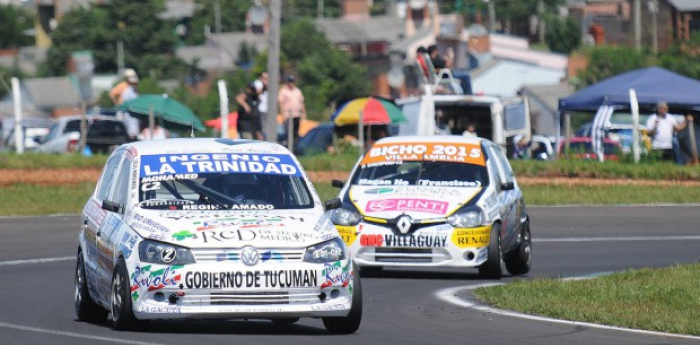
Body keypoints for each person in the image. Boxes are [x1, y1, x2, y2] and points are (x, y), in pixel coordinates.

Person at [111, 70, 141, 141]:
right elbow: (112, 93)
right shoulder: (124, 86)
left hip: (130, 112)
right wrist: (117, 104)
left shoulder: (134, 90)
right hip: (124, 111)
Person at [278, 75, 306, 143]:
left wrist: (304, 113)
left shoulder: (297, 90)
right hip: (288, 116)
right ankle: (289, 146)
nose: (291, 83)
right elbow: (281, 104)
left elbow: (301, 102)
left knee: (296, 132)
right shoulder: (283, 91)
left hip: (297, 115)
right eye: (290, 81)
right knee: (289, 133)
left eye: (292, 81)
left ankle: (295, 147)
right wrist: (283, 115)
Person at [253, 72, 269, 138]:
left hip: (266, 110)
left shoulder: (268, 86)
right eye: (265, 78)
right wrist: (264, 85)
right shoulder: (258, 83)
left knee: (266, 128)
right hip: (259, 110)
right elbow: (257, 92)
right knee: (260, 129)